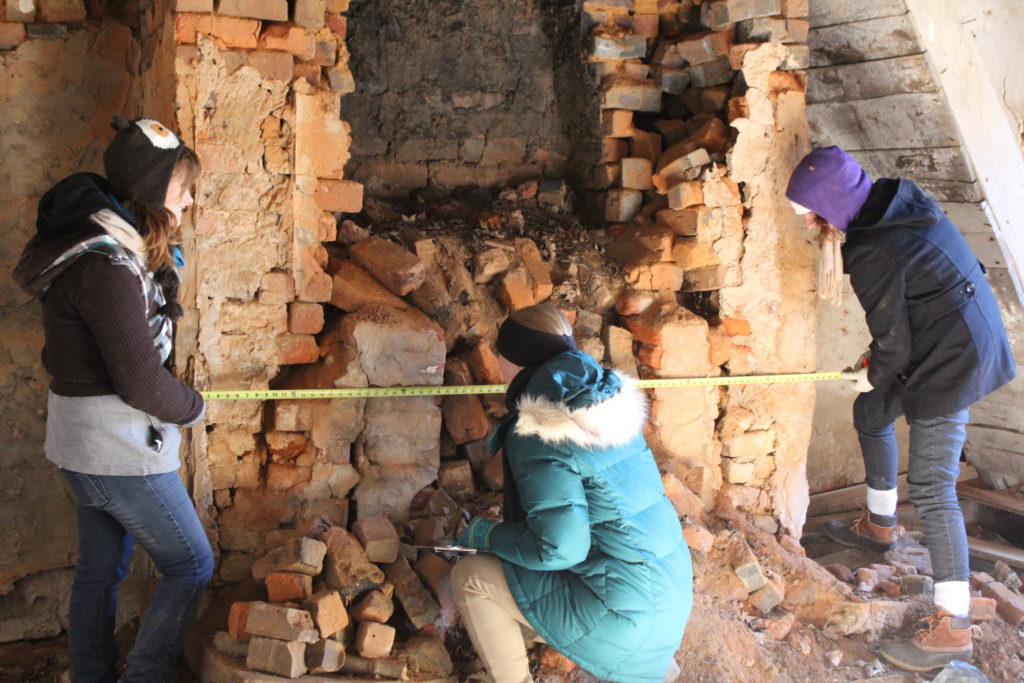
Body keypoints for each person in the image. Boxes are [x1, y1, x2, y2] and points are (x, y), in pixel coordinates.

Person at [786, 146, 1016, 672]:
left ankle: (953, 628)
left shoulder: (872, 252)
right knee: (871, 412)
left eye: (811, 214)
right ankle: (882, 525)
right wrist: (875, 368)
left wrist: (874, 366)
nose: (809, 224)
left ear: (830, 207)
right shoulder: (895, 201)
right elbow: (906, 317)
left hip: (954, 359)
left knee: (935, 492)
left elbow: (894, 342)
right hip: (948, 337)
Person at [14, 116, 213, 682]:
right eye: (183, 189)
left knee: (99, 572)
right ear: (152, 191)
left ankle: (91, 676)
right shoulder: (106, 265)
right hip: (117, 448)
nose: (191, 202)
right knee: (192, 565)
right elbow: (143, 384)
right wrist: (196, 408)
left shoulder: (106, 246)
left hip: (82, 444)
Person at [450, 304, 692, 683]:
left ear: (513, 359)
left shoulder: (541, 428)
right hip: (669, 597)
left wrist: (488, 535)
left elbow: (560, 549)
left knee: (471, 577)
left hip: (626, 620)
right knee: (521, 569)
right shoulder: (602, 400)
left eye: (500, 353)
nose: (496, 362)